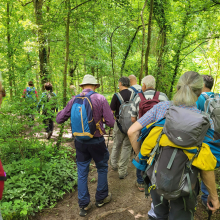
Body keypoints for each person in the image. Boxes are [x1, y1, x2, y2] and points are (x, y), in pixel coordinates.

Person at [128, 71, 220, 220]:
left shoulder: (161, 108)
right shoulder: (203, 120)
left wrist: (143, 159)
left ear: (177, 88)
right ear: (199, 92)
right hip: (187, 184)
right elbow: (205, 164)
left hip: (158, 176)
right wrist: (213, 196)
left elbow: (132, 131)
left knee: (158, 213)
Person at [56, 75, 115, 217]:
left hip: (80, 142)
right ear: (95, 86)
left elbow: (59, 119)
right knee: (102, 168)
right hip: (97, 141)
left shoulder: (74, 99)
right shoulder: (100, 99)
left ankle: (84, 205)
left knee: (82, 171)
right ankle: (101, 199)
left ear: (82, 86)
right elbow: (111, 123)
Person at [129, 75, 168, 192]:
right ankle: (157, 181)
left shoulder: (137, 97)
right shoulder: (163, 96)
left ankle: (141, 183)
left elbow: (132, 119)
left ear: (144, 85)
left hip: (144, 132)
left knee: (142, 153)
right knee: (160, 156)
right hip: (160, 133)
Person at [196, 75, 219, 208]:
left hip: (207, 142)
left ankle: (205, 198)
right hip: (218, 141)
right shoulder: (218, 97)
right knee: (212, 168)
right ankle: (208, 198)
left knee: (205, 167)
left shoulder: (200, 99)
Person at [110, 76, 133, 179]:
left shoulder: (116, 96)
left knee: (116, 145)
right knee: (127, 147)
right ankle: (122, 172)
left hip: (119, 125)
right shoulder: (134, 95)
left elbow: (111, 112)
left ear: (120, 84)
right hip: (131, 125)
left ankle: (114, 165)